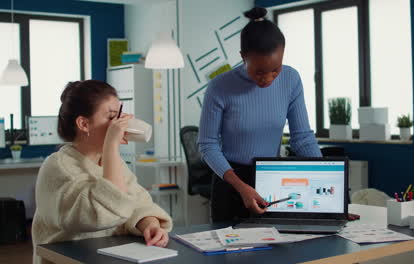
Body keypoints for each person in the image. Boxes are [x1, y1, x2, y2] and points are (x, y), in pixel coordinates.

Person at [198, 7, 322, 222]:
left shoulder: (291, 80)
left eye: (276, 69)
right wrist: (240, 186)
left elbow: (302, 138)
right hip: (231, 182)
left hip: (272, 180)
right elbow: (207, 145)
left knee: (277, 250)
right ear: (243, 57)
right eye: (259, 72)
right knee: (230, 254)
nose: (269, 78)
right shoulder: (220, 87)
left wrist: (325, 181)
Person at [32, 80, 172, 264]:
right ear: (83, 124)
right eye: (111, 116)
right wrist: (112, 145)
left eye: (119, 116)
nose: (119, 124)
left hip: (107, 256)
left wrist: (150, 224)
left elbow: (137, 203)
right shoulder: (57, 167)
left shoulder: (112, 162)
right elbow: (103, 213)